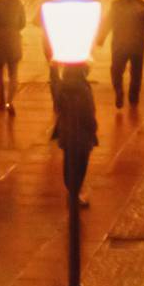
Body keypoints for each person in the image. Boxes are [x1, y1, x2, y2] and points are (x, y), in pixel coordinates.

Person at [99, 0, 144, 109]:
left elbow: (107, 24)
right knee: (136, 73)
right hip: (137, 46)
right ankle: (133, 98)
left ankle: (119, 90)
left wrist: (101, 38)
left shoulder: (116, 6)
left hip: (119, 45)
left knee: (116, 70)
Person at [52, 63, 98, 208]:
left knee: (69, 162)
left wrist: (53, 69)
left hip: (67, 132)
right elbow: (88, 111)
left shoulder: (62, 87)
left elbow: (57, 104)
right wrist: (93, 127)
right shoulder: (83, 89)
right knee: (81, 165)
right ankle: (74, 195)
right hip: (82, 134)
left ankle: (72, 192)